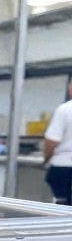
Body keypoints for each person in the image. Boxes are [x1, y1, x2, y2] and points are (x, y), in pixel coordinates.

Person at [44, 77, 72, 205]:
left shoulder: (65, 109)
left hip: (63, 168)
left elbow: (51, 141)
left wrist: (46, 159)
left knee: (61, 206)